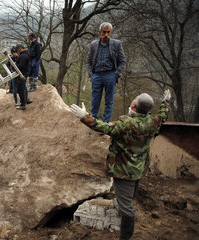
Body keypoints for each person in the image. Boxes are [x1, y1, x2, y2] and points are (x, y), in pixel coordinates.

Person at [70, 90, 171, 240]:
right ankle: (122, 205)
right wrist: (166, 102)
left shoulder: (126, 124)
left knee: (128, 209)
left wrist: (84, 117)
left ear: (134, 106)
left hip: (124, 171)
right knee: (128, 198)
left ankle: (126, 237)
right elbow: (163, 116)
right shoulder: (153, 122)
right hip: (138, 169)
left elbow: (104, 127)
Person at [87, 22, 126, 124]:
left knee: (109, 101)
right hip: (97, 75)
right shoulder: (93, 44)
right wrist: (91, 74)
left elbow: (122, 61)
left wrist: (116, 74)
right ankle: (93, 122)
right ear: (100, 32)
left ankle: (105, 123)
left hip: (110, 75)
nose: (106, 34)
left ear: (110, 32)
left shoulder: (116, 44)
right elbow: (89, 60)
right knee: (95, 100)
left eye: (108, 32)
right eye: (104, 32)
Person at [15, 44, 31, 110]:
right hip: (25, 73)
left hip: (22, 74)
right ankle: (23, 102)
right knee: (23, 88)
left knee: (21, 89)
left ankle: (23, 104)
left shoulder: (23, 56)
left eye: (17, 49)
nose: (17, 51)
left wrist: (15, 65)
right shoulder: (26, 54)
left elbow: (21, 66)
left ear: (20, 48)